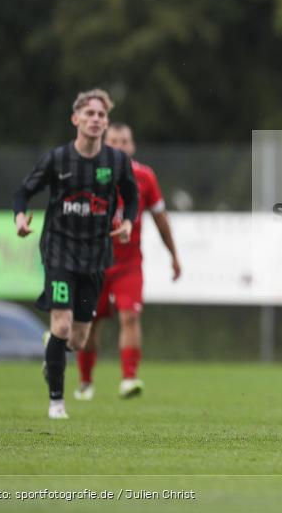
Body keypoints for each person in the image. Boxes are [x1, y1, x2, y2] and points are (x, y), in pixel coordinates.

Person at [14, 89, 138, 419]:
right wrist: (19, 217)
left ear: (106, 122)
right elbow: (24, 191)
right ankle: (56, 402)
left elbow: (132, 197)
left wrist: (128, 222)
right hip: (59, 252)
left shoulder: (116, 162)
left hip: (95, 257)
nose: (95, 119)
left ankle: (52, 349)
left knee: (79, 339)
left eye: (101, 115)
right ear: (76, 119)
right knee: (62, 325)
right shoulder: (57, 159)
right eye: (90, 113)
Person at [75, 122, 181, 400]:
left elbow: (160, 219)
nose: (120, 146)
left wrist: (173, 255)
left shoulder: (145, 177)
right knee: (89, 323)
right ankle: (85, 381)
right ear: (104, 143)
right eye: (114, 141)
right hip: (94, 263)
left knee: (130, 316)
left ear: (132, 146)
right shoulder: (89, 173)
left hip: (128, 264)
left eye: (125, 141)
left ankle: (129, 378)